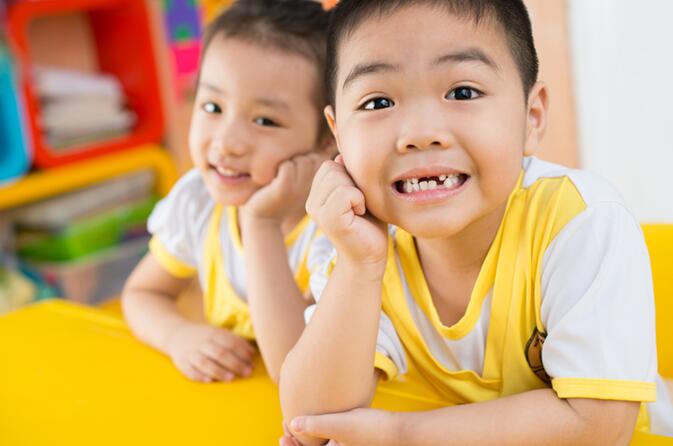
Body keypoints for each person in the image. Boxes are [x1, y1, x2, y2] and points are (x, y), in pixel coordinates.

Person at [279, 0, 673, 444]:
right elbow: (311, 421)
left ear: (531, 117)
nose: (419, 133)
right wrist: (359, 267)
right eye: (378, 102)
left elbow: (600, 427)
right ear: (338, 134)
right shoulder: (359, 243)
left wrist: (403, 436)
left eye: (463, 93)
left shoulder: (582, 222)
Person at [122, 0, 334, 384]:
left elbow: (296, 369)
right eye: (212, 107)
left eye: (264, 120)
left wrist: (261, 223)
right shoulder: (200, 203)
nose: (227, 142)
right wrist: (178, 336)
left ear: (327, 140)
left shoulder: (336, 229)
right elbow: (142, 294)